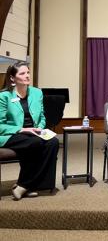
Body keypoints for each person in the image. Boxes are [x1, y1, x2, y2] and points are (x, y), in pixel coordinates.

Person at [0, 61, 59, 200]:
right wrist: (22, 129)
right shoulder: (4, 96)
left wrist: (40, 127)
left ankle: (27, 185)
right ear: (12, 78)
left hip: (34, 133)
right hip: (11, 134)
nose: (27, 76)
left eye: (28, 72)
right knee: (35, 143)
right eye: (22, 73)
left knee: (53, 143)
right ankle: (27, 185)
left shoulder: (37, 93)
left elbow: (42, 116)